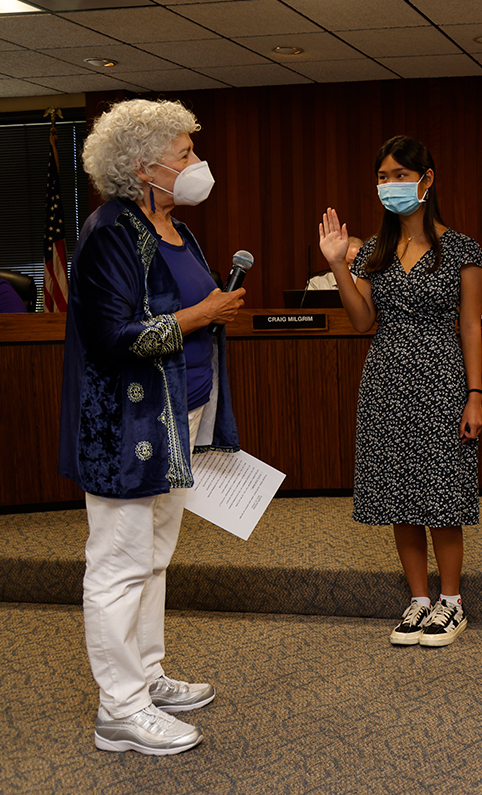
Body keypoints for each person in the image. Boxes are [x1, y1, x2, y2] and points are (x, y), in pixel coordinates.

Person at [60, 99, 244, 755]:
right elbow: (110, 337)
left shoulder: (176, 228)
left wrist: (209, 312)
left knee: (155, 558)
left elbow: (186, 305)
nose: (198, 164)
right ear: (144, 167)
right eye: (186, 153)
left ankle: (148, 673)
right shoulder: (111, 230)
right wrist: (198, 316)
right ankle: (120, 708)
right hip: (124, 425)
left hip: (178, 416)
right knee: (118, 563)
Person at [318, 135, 482, 649]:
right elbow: (363, 320)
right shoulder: (373, 250)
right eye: (383, 177)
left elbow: (472, 326)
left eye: (399, 175)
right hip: (386, 377)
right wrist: (338, 266)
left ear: (427, 180)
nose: (389, 185)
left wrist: (475, 395)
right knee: (399, 495)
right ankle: (418, 601)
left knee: (442, 492)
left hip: (442, 377)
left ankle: (451, 604)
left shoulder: (462, 248)